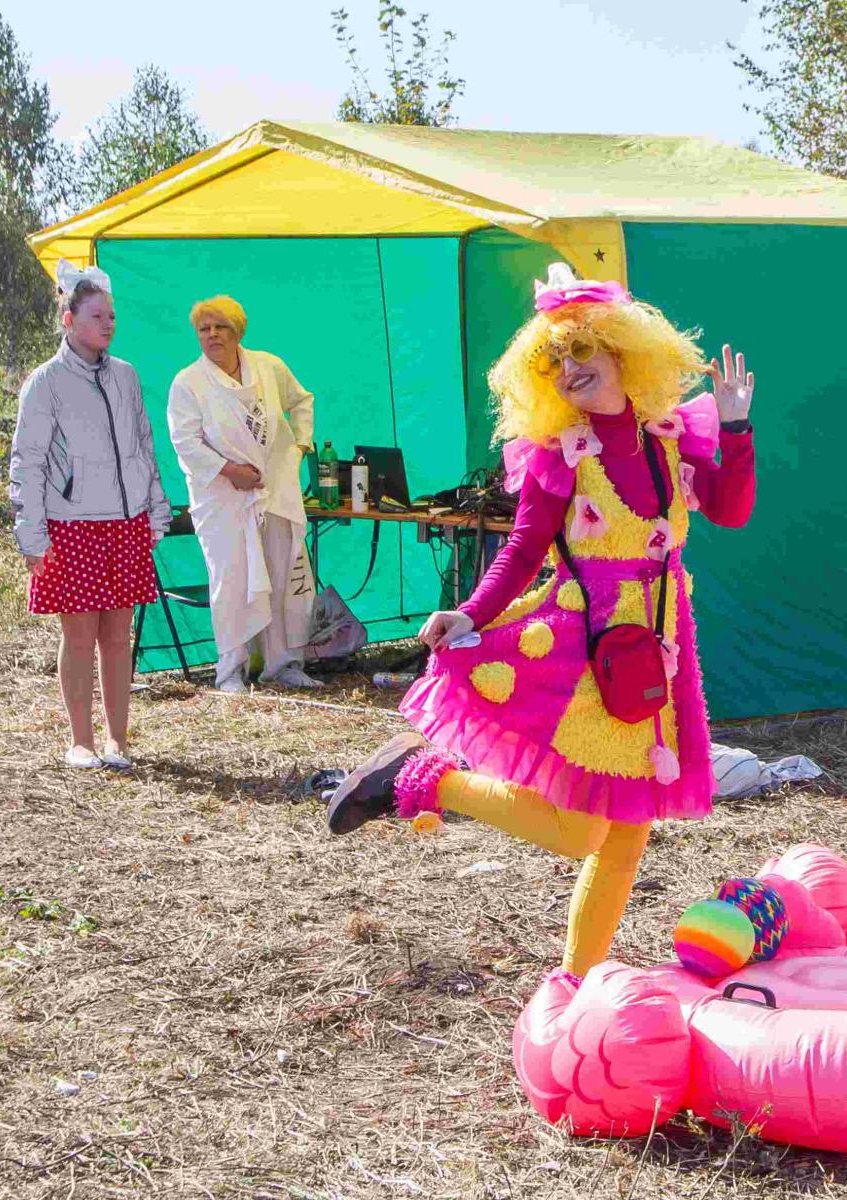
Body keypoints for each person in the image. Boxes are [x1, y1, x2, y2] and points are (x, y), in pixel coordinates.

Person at [324, 264, 757, 981]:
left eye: (582, 351)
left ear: (624, 352)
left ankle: (577, 985)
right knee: (584, 828)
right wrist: (468, 611)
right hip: (583, 645)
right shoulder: (559, 456)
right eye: (554, 362)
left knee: (624, 837)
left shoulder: (672, 438)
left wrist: (735, 425)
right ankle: (426, 779)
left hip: (655, 647)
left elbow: (732, 508)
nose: (570, 369)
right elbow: (522, 551)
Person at [8, 261, 171, 769]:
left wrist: (155, 511)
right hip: (71, 527)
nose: (108, 324)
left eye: (112, 317)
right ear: (68, 320)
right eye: (98, 316)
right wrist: (31, 533)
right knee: (79, 637)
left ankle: (117, 739)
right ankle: (80, 740)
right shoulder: (46, 382)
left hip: (124, 525)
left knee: (119, 638)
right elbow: (27, 460)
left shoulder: (125, 376)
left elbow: (144, 447)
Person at [167, 296, 319, 693]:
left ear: (238, 332)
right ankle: (231, 670)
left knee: (281, 572)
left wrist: (299, 447)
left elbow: (301, 402)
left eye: (221, 327)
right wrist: (230, 472)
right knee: (230, 580)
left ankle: (283, 664)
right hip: (223, 500)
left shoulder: (269, 366)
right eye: (204, 328)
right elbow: (185, 442)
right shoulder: (188, 382)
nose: (212, 334)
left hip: (274, 492)